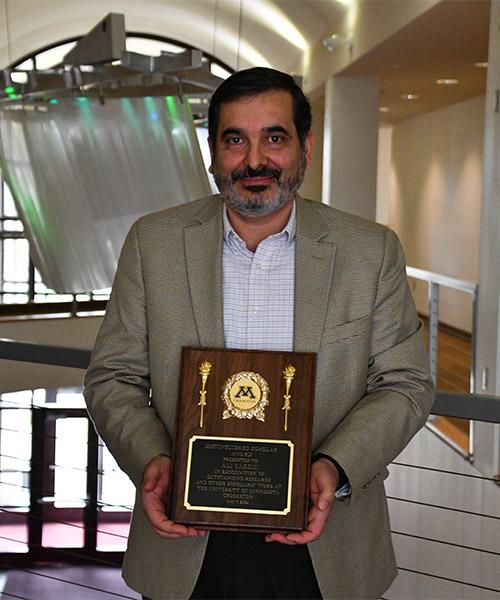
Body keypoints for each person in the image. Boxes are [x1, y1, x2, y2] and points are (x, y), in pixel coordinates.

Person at [84, 67, 434, 600]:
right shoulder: (152, 243)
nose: (254, 160)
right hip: (186, 539)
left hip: (327, 539)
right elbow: (113, 377)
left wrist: (335, 468)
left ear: (304, 147)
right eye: (234, 140)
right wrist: (152, 462)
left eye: (274, 137)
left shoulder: (370, 250)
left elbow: (406, 383)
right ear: (212, 152)